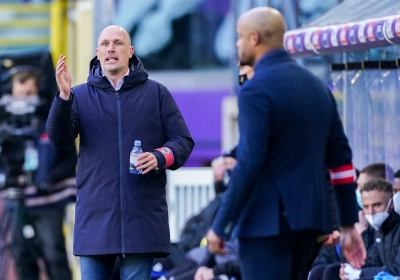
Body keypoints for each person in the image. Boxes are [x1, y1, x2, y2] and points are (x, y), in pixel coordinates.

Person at [206, 7, 366, 280]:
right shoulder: (317, 87)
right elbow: (341, 160)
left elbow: (250, 161)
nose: (237, 44)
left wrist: (221, 225)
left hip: (265, 224)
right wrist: (349, 224)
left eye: (239, 37)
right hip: (310, 224)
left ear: (254, 38)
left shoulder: (255, 90)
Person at [46, 25, 194, 279]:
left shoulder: (156, 93)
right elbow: (58, 138)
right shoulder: (79, 95)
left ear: (131, 51)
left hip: (142, 219)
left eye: (117, 43)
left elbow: (182, 140)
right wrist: (63, 96)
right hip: (95, 220)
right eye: (105, 44)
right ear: (97, 52)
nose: (111, 49)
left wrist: (160, 156)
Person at [4, 65, 76, 280]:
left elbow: (71, 158)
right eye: (20, 92)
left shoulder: (52, 118)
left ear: (38, 91)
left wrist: (49, 179)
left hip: (49, 201)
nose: (24, 98)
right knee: (21, 256)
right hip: (16, 202)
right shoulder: (5, 123)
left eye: (29, 93)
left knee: (54, 255)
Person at [339, 178, 400, 280]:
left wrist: (360, 274)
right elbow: (374, 261)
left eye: (377, 205)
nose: (371, 212)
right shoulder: (378, 229)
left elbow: (397, 269)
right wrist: (352, 268)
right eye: (366, 207)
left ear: (391, 203)